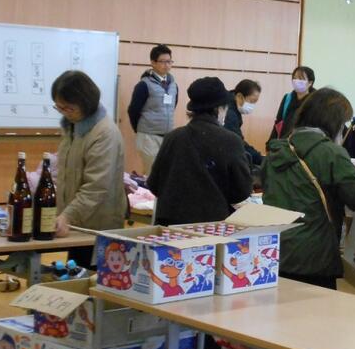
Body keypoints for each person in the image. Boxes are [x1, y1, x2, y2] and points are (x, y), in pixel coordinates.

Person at [260, 88, 355, 349]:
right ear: (334, 122)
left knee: (274, 325)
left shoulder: (278, 149)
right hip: (315, 253)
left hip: (276, 250)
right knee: (314, 329)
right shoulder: (330, 154)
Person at [148, 77, 253, 227]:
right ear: (219, 109)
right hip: (209, 227)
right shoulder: (231, 141)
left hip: (168, 226)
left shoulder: (172, 137)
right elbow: (241, 192)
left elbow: (154, 184)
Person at [52, 71, 126, 268]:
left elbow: (96, 187)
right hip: (77, 222)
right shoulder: (73, 127)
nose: (64, 112)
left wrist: (67, 215)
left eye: (68, 108)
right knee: (74, 275)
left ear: (86, 102)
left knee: (92, 279)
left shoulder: (104, 133)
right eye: (59, 107)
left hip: (98, 226)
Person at [127, 44, 177, 175]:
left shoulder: (173, 85)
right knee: (154, 174)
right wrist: (140, 130)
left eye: (169, 61)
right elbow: (133, 110)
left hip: (167, 137)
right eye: (162, 61)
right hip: (148, 137)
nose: (167, 65)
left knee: (162, 174)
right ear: (153, 63)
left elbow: (172, 107)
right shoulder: (144, 85)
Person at [268, 66, 316, 145]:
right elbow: (278, 122)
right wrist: (270, 143)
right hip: (284, 144)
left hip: (304, 145)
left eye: (301, 78)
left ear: (310, 82)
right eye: (295, 78)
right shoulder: (288, 98)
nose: (297, 81)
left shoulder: (316, 101)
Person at [224, 78, 263, 165]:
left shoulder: (231, 104)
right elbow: (238, 144)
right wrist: (260, 159)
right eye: (252, 101)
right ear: (239, 97)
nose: (252, 106)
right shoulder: (229, 114)